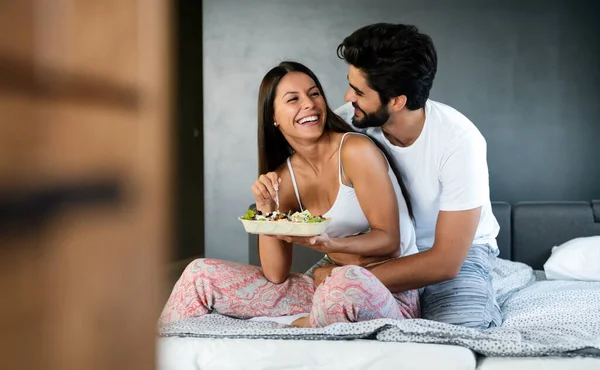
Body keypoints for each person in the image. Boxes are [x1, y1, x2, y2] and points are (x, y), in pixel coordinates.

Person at [159, 61, 420, 328]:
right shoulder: (285, 177)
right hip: (325, 285)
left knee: (343, 281)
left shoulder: (354, 150)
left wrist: (328, 246)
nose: (308, 104)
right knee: (199, 274)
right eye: (293, 99)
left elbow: (389, 241)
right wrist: (266, 211)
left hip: (385, 290)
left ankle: (298, 331)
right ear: (273, 117)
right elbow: (275, 274)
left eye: (314, 93)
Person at [334, 23, 502, 329]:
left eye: (359, 91)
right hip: (380, 249)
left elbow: (445, 261)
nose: (348, 96)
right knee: (311, 313)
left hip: (453, 256)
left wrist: (353, 280)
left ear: (397, 101)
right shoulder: (347, 122)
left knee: (458, 330)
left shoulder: (459, 141)